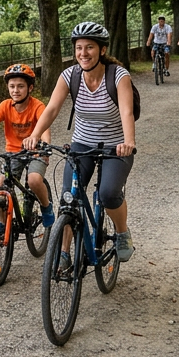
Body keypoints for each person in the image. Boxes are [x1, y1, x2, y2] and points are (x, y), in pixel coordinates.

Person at [22, 22, 138, 264]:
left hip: (115, 145)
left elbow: (127, 112)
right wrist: (35, 134)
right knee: (69, 198)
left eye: (90, 47)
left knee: (107, 194)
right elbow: (52, 108)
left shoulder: (119, 75)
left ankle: (121, 233)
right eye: (79, 48)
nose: (83, 53)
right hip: (82, 143)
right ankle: (64, 252)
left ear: (102, 50)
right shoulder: (69, 76)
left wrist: (128, 141)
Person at [0, 64, 53, 236]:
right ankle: (1, 222)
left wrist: (45, 147)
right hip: (13, 153)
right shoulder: (5, 106)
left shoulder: (37, 106)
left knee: (35, 180)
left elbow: (45, 130)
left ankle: (46, 206)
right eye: (12, 86)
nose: (16, 90)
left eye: (20, 86)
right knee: (0, 189)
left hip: (35, 152)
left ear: (30, 88)